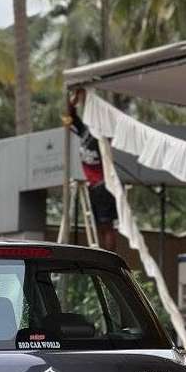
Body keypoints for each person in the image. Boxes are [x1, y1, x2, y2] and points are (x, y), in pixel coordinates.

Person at [64, 89, 118, 252]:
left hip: (104, 185)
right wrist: (72, 101)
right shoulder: (85, 132)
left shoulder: (102, 136)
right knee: (99, 227)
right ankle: (103, 255)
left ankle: (110, 257)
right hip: (93, 186)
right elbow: (68, 117)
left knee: (107, 225)